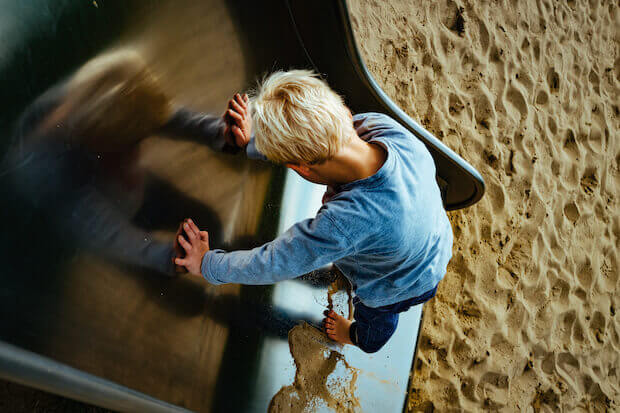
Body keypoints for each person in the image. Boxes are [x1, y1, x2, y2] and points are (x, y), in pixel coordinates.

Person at [175, 70, 453, 353]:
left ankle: (356, 337)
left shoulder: (344, 222)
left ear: (301, 168)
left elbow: (275, 262)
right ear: (342, 109)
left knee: (375, 324)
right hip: (435, 231)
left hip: (407, 281)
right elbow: (311, 144)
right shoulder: (380, 128)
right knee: (368, 247)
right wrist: (255, 141)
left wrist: (207, 264)